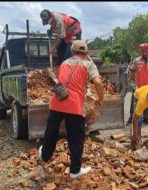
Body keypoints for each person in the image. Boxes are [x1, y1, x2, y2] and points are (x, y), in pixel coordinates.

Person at [39, 40, 104, 179]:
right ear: (86, 53)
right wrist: (101, 98)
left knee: (51, 132)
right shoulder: (88, 64)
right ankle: (75, 171)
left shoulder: (64, 63)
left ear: (72, 51)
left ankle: (44, 156)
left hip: (57, 102)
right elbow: (98, 82)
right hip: (74, 106)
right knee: (76, 139)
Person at [126, 43, 148, 125]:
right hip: (138, 87)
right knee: (134, 104)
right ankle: (131, 119)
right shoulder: (136, 61)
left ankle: (145, 119)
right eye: (143, 51)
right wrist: (128, 81)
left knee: (147, 103)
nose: (145, 52)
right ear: (140, 51)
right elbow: (132, 72)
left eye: (146, 50)